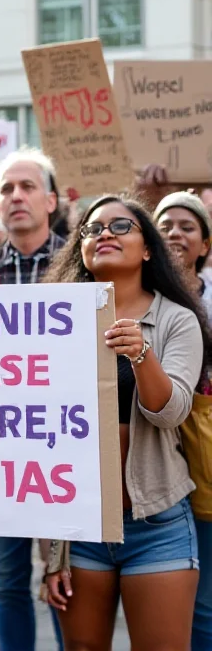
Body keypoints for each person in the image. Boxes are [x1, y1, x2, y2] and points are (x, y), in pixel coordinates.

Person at [44, 194, 206, 650]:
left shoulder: (177, 320)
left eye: (120, 227)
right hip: (82, 529)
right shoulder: (53, 321)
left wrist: (139, 352)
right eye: (92, 230)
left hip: (157, 526)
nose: (104, 235)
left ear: (148, 248)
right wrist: (54, 550)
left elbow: (170, 410)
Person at [0, 147, 65, 651]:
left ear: (52, 200)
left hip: (64, 442)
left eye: (27, 187)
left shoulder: (83, 269)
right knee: (7, 578)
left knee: (68, 578)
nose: (15, 197)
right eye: (5, 189)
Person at [153, 192, 212, 649]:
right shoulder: (142, 300)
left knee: (205, 604)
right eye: (165, 225)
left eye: (187, 227)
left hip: (205, 460)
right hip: (162, 467)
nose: (175, 233)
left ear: (206, 244)